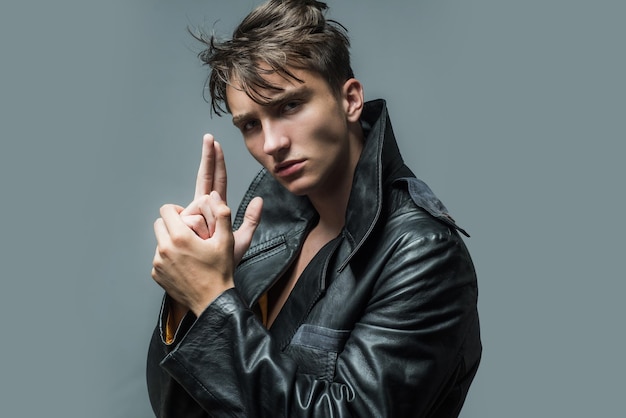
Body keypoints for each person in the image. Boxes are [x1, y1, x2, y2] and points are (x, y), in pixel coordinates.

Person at [147, 0, 481, 416]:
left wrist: (213, 299)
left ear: (351, 100)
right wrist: (189, 299)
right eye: (250, 124)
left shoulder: (422, 252)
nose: (270, 144)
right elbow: (178, 410)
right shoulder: (263, 225)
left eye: (289, 106)